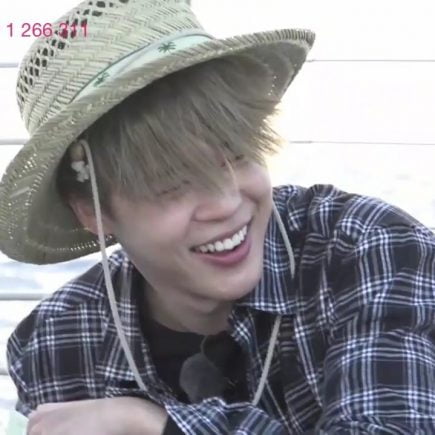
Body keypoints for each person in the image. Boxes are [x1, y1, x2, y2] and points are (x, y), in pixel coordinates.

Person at [2, 0, 435, 434]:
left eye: (240, 155)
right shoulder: (56, 342)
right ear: (91, 212)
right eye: (172, 182)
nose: (226, 204)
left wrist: (154, 426)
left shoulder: (366, 249)